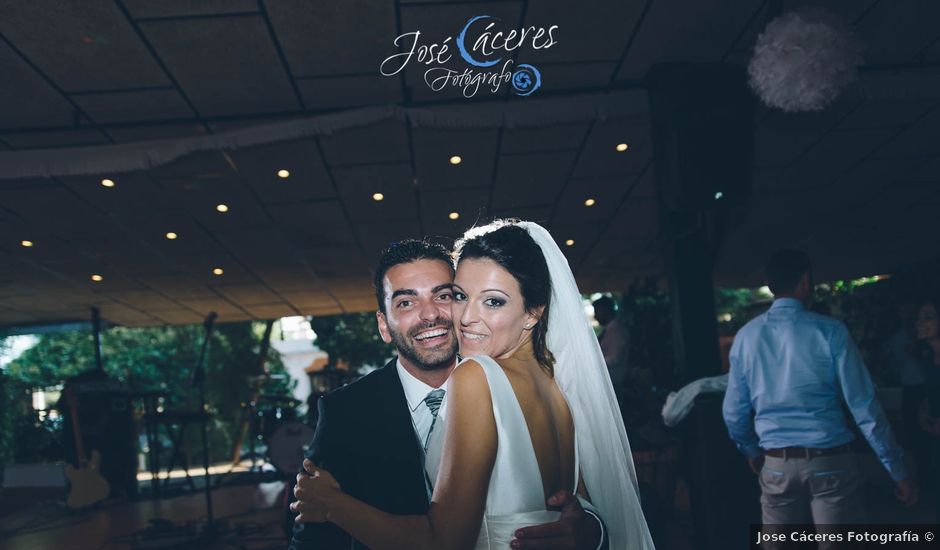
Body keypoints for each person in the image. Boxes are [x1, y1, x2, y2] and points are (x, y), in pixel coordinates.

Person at [292, 221, 654, 549]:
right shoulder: (346, 412)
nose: (454, 315)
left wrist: (591, 529)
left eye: (445, 295)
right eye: (406, 301)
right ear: (384, 325)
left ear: (533, 312)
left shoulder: (478, 375)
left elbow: (447, 541)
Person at [723, 249, 917, 534]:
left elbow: (733, 412)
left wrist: (751, 450)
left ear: (772, 284)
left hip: (777, 464)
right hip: (831, 462)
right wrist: (897, 470)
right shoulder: (831, 332)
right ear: (804, 282)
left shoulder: (746, 337)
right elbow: (864, 407)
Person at [593, 296, 630, 385]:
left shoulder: (617, 330)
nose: (595, 316)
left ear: (606, 310)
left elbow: (616, 358)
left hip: (615, 379)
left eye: (597, 312)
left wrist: (595, 362)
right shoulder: (608, 330)